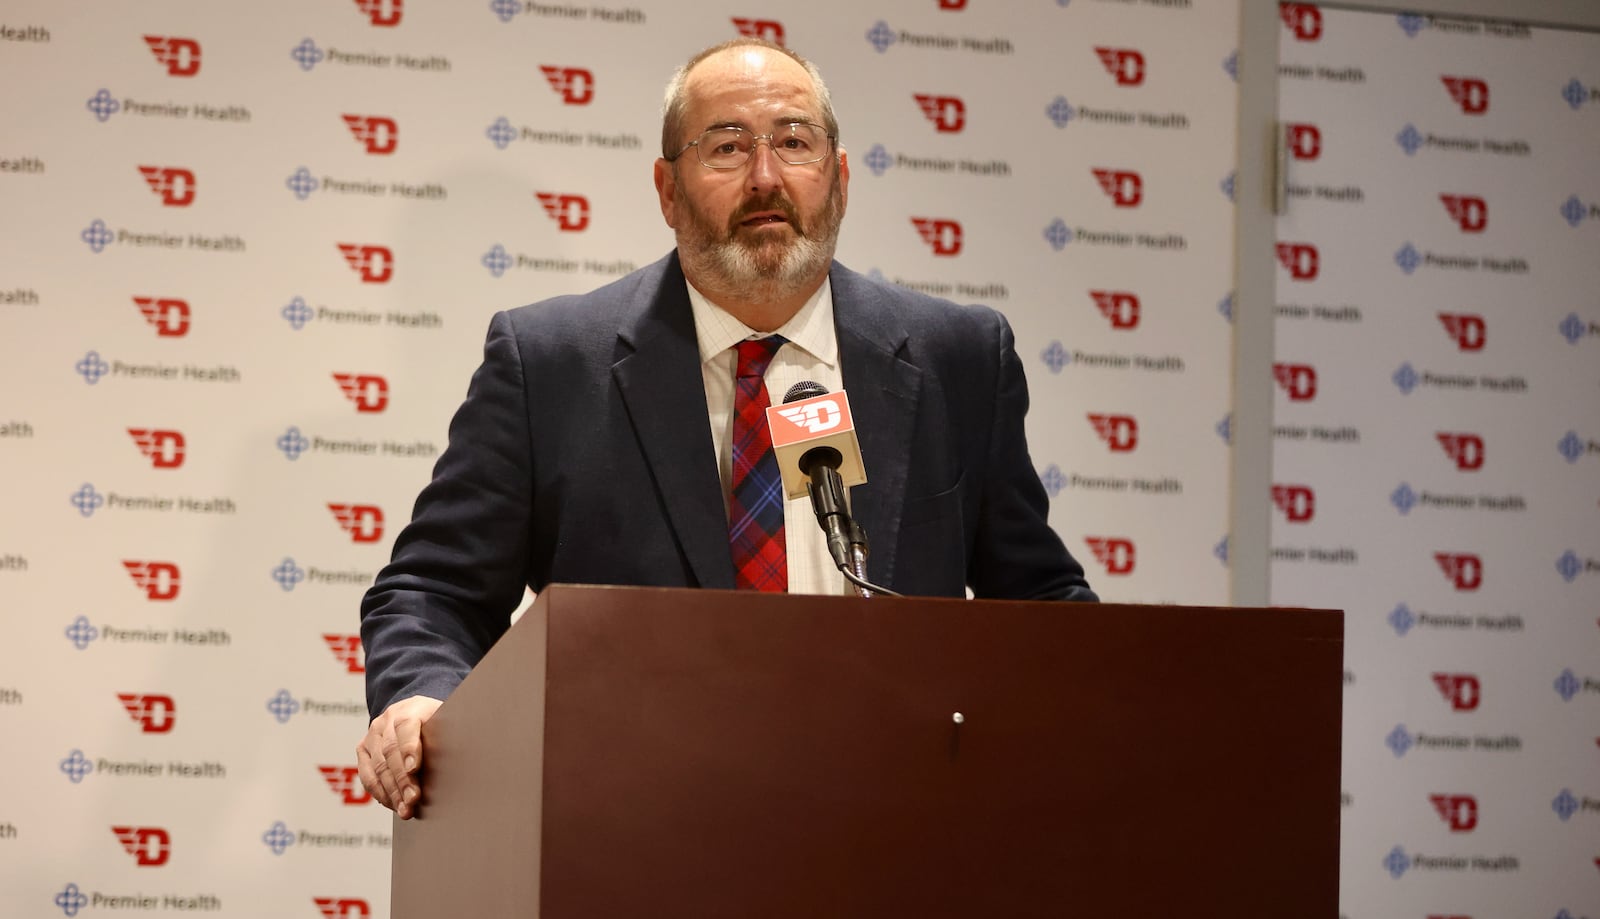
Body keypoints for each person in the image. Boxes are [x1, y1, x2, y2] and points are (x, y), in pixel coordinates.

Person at [355, 39, 1097, 818]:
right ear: (667, 190)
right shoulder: (549, 364)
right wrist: (420, 699)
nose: (766, 178)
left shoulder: (958, 356)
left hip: (895, 821)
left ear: (839, 182)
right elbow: (433, 590)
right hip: (632, 824)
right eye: (728, 148)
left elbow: (1039, 597)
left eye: (794, 143)